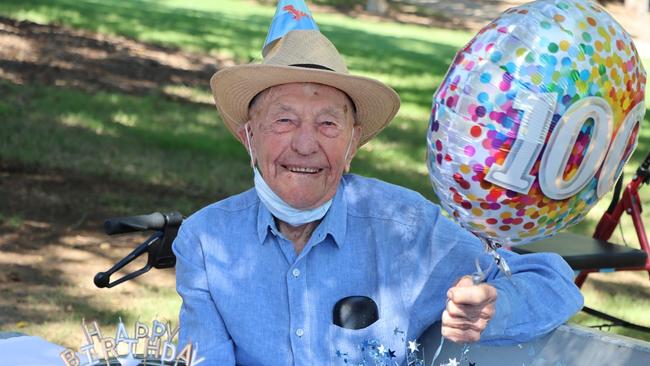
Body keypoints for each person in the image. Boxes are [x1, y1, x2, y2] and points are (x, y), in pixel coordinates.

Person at [172, 1, 583, 364]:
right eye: (284, 120)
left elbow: (554, 285)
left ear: (352, 143)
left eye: (328, 124)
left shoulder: (405, 228)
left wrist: (494, 307)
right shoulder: (207, 241)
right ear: (249, 137)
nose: (304, 144)